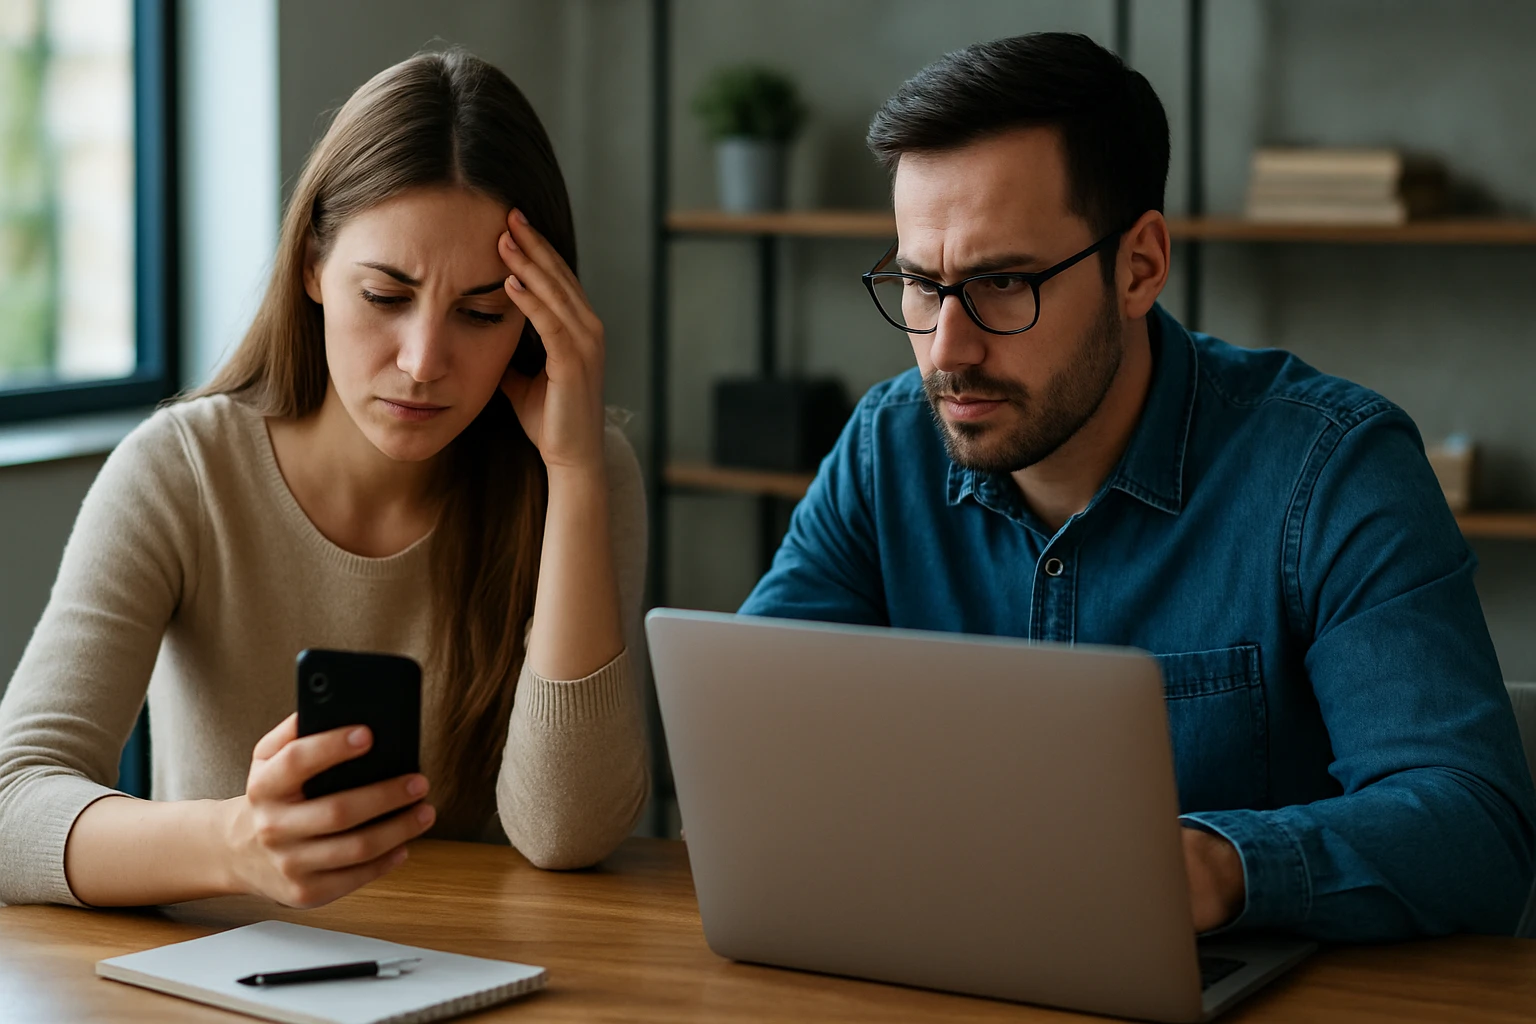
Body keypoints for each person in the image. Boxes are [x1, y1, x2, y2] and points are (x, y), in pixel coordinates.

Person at [740, 32, 1536, 942]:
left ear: (1140, 267)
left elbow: (1477, 829)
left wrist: (1214, 868)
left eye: (1004, 283)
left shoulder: (1334, 470)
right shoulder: (885, 449)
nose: (947, 351)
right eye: (922, 286)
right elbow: (754, 744)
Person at [0, 50, 648, 909]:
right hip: (224, 965)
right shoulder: (182, 472)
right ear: (312, 264)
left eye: (481, 313)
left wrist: (574, 472)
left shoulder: (580, 474)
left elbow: (568, 831)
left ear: (534, 318)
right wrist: (233, 844)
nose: (423, 362)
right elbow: (11, 804)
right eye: (386, 296)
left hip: (486, 967)